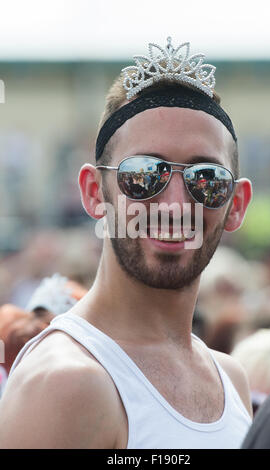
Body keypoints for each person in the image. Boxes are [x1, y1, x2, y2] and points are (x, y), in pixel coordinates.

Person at [0, 37, 252, 449]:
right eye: (143, 175)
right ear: (94, 192)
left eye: (206, 179)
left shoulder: (230, 380)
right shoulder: (67, 383)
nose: (174, 205)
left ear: (236, 204)